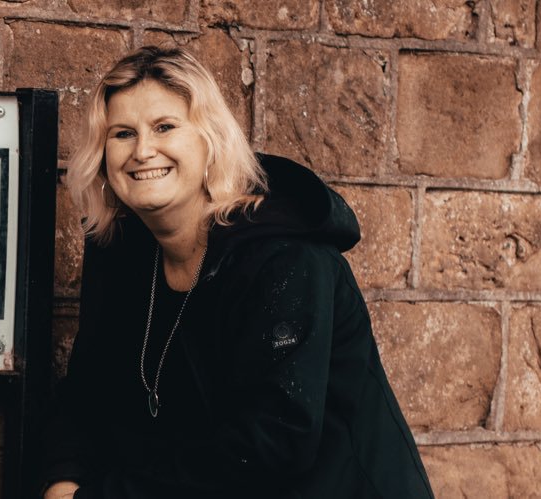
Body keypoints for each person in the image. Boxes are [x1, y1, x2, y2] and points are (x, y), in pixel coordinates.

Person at [40, 46, 433, 498]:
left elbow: (273, 443)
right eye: (123, 133)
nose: (143, 151)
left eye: (165, 127)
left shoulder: (283, 257)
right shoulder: (122, 252)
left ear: (209, 140)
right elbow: (89, 392)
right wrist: (63, 480)